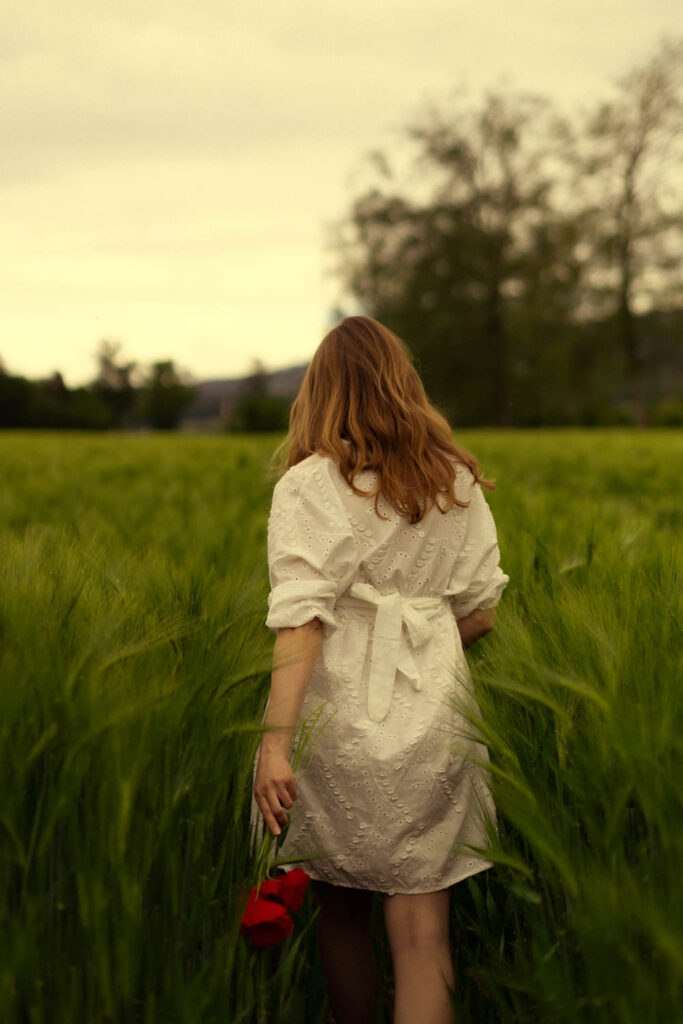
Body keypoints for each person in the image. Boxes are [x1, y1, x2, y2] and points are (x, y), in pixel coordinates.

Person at [252, 315, 509, 1024]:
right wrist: (419, 638)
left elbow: (301, 617)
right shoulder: (454, 481)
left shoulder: (308, 485)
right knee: (424, 935)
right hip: (433, 715)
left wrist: (275, 743)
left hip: (335, 721)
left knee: (341, 916)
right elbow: (482, 611)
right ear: (403, 382)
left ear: (319, 392)